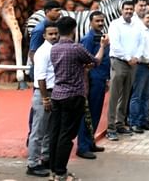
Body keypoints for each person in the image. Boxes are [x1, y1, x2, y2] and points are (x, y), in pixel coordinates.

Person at [48, 16, 108, 181]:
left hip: (57, 94)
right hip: (74, 95)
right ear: (74, 29)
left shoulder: (54, 49)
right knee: (66, 135)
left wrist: (82, 67)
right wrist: (102, 46)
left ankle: (54, 169)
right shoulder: (76, 48)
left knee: (56, 132)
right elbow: (95, 61)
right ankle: (61, 173)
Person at [106, 0, 143, 140]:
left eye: (130, 9)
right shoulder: (115, 24)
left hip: (133, 63)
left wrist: (136, 57)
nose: (128, 11)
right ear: (121, 10)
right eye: (126, 9)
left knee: (126, 94)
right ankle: (110, 127)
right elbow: (115, 44)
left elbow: (141, 43)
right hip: (119, 61)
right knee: (115, 95)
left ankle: (120, 123)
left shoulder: (137, 25)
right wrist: (128, 57)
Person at [26, 21, 59, 177]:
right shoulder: (42, 52)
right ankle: (32, 164)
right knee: (38, 131)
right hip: (43, 94)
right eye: (50, 34)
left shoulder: (56, 49)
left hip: (54, 93)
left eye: (56, 33)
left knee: (49, 130)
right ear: (44, 35)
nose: (54, 36)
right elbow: (40, 78)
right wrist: (45, 98)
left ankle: (45, 158)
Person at [76, 10, 108, 158]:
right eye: (97, 21)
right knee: (87, 114)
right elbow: (85, 63)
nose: (100, 23)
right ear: (90, 22)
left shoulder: (101, 38)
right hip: (92, 81)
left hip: (101, 80)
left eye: (102, 21)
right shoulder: (88, 39)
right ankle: (82, 147)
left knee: (96, 113)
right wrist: (86, 84)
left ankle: (90, 142)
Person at [129, 7, 149, 132]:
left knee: (148, 96)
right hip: (142, 66)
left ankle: (144, 121)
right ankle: (134, 122)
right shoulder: (139, 32)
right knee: (137, 95)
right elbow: (139, 50)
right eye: (147, 17)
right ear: (143, 19)